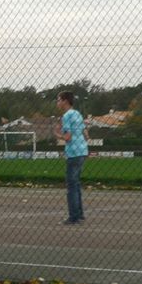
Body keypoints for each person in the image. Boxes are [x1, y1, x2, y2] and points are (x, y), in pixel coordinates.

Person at [55, 91, 88, 224]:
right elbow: (86, 134)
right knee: (76, 184)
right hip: (82, 151)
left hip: (73, 152)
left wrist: (58, 135)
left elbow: (68, 137)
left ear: (65, 101)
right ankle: (79, 214)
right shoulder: (77, 114)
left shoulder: (66, 116)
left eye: (58, 100)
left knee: (71, 186)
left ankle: (73, 217)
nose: (57, 103)